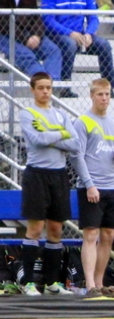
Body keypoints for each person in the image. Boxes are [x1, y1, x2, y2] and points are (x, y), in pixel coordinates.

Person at [15, 72, 79, 296]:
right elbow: (37, 140)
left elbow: (75, 144)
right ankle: (28, 282)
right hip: (37, 175)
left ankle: (53, 283)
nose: (45, 91)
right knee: (35, 228)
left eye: (48, 87)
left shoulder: (60, 114)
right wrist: (62, 134)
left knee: (55, 229)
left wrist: (53, 134)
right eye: (41, 88)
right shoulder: (28, 113)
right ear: (33, 90)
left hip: (59, 175)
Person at [70, 79, 114, 296]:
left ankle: (100, 282)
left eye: (107, 94)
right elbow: (77, 156)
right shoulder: (83, 122)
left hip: (113, 184)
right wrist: (89, 184)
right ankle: (90, 284)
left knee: (109, 235)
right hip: (92, 186)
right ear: (92, 96)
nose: (104, 98)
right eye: (100, 94)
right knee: (91, 234)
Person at [41, 0, 114, 98]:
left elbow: (93, 17)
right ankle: (65, 87)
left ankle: (109, 87)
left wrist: (89, 33)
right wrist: (69, 33)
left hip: (81, 34)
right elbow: (48, 20)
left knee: (104, 45)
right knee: (69, 44)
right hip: (57, 35)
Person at [0, 0, 63, 86]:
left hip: (27, 34)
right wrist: (25, 39)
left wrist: (36, 36)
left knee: (53, 51)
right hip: (4, 35)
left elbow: (36, 19)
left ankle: (52, 87)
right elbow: (3, 23)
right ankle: (42, 86)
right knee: (27, 56)